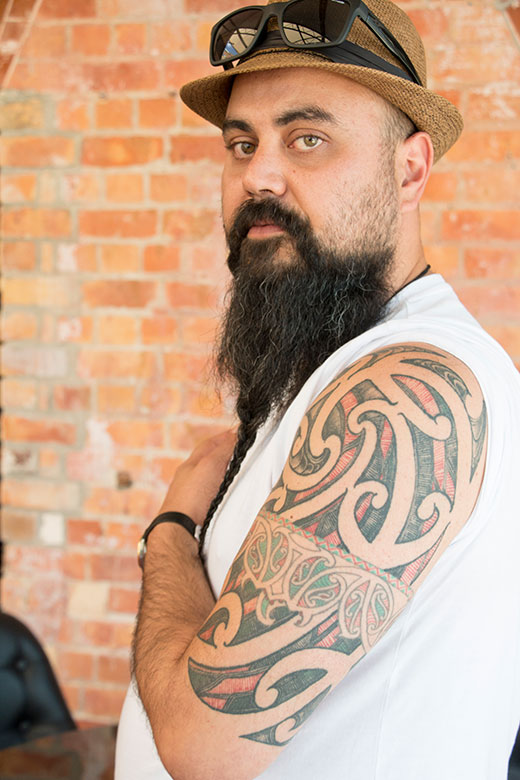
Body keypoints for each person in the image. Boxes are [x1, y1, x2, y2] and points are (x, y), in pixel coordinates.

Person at [115, 1, 520, 778]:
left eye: (308, 138)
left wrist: (169, 527)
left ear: (410, 169)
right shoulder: (335, 363)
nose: (258, 176)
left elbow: (204, 743)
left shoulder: (410, 391)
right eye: (242, 144)